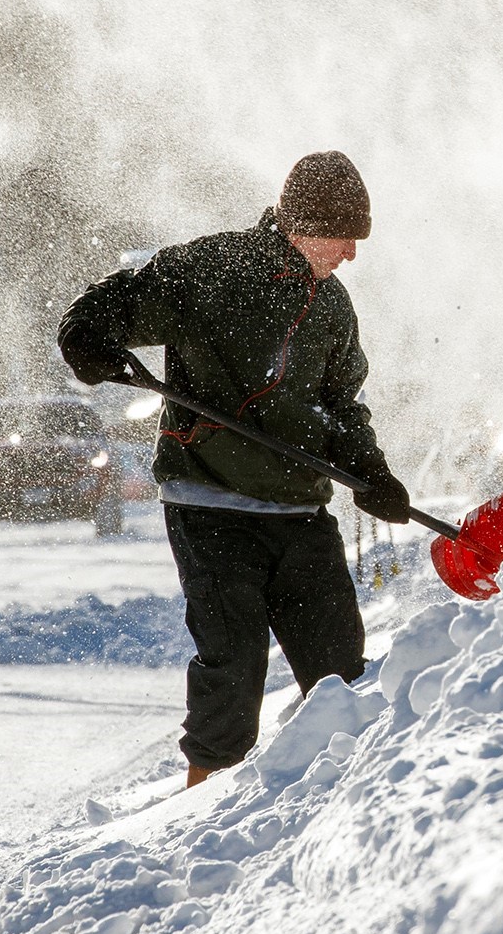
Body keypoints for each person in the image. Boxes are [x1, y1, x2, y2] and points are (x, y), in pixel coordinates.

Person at [57, 151, 412, 787]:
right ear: (304, 223)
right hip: (212, 507)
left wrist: (370, 471)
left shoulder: (331, 306)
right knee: (232, 672)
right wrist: (90, 334)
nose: (352, 254)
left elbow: (341, 405)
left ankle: (344, 817)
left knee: (341, 678)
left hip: (301, 511)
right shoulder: (213, 268)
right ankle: (203, 818)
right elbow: (115, 304)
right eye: (344, 237)